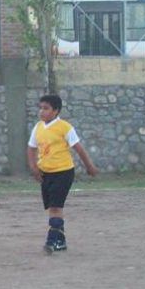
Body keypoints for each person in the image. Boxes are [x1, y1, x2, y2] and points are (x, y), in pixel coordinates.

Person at [27, 94, 97, 254]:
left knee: (55, 207)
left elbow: (78, 148)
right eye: (40, 108)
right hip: (46, 174)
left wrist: (89, 166)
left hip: (63, 172)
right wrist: (33, 167)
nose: (41, 111)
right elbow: (31, 148)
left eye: (46, 108)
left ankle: (51, 242)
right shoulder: (38, 127)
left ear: (56, 111)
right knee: (52, 208)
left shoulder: (65, 127)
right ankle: (61, 242)